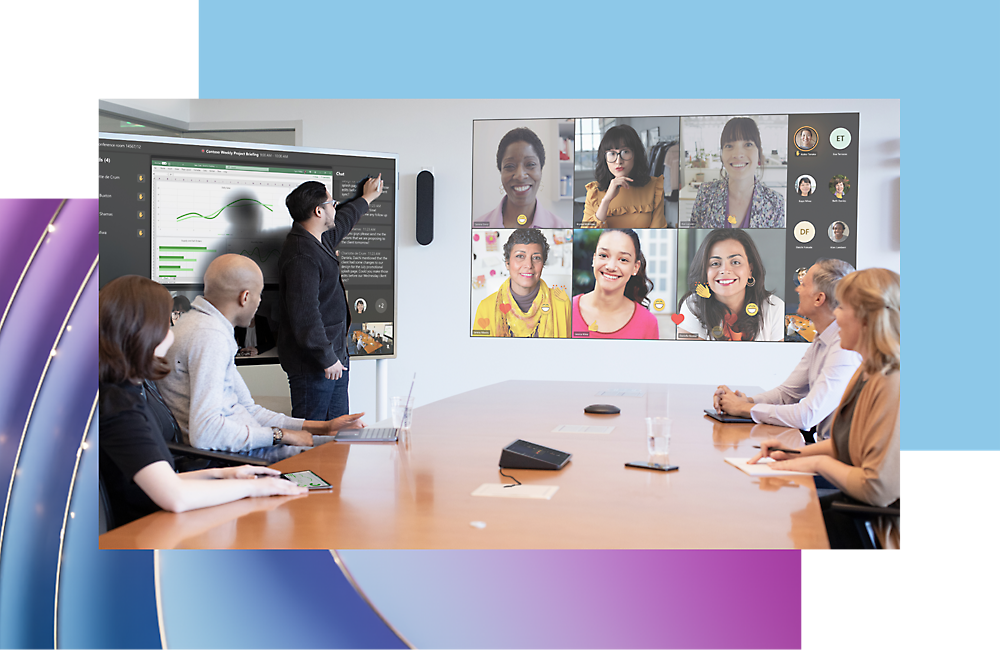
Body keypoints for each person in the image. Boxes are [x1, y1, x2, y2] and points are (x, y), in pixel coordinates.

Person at [99, 275, 308, 528]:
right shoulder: (119, 407)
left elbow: (165, 478)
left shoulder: (125, 391)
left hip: (159, 516)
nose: (171, 335)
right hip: (147, 529)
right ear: (143, 332)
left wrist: (225, 474)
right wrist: (253, 487)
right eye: (165, 326)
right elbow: (174, 496)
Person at [157, 254, 365, 461]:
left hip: (254, 447)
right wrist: (280, 435)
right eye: (259, 295)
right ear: (245, 297)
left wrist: (324, 427)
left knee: (349, 442)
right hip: (242, 459)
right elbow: (205, 433)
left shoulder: (202, 325)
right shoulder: (209, 336)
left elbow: (249, 410)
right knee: (348, 453)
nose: (260, 302)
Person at [749, 268, 901, 550]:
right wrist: (792, 454)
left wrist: (815, 463)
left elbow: (877, 488)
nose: (836, 315)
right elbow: (848, 445)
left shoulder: (893, 384)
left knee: (781, 523)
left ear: (868, 319)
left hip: (878, 526)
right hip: (857, 509)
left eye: (842, 307)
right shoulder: (867, 373)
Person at [712, 260, 861, 440]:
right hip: (822, 451)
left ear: (819, 299)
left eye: (803, 284)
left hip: (836, 458)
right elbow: (787, 394)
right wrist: (746, 402)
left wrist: (743, 409)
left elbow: (806, 416)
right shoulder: (822, 338)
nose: (797, 290)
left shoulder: (844, 348)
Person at [277, 176, 383, 420]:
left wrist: (367, 198)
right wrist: (327, 358)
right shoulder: (302, 255)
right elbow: (305, 316)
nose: (335, 207)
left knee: (339, 433)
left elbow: (344, 222)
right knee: (313, 439)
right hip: (316, 365)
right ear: (318, 211)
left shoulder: (318, 240)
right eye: (331, 203)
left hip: (334, 358)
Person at [677, 229, 784, 341]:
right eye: (715, 263)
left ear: (750, 270)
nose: (725, 270)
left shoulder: (775, 307)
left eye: (735, 262)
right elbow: (690, 356)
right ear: (705, 272)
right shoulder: (694, 305)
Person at [690, 117, 785, 228]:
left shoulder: (775, 202)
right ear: (722, 154)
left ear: (759, 153)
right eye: (729, 146)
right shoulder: (705, 193)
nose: (738, 154)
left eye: (748, 144)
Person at [473, 229, 571, 337]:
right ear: (507, 263)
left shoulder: (561, 303)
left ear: (543, 264)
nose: (528, 265)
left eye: (536, 258)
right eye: (520, 256)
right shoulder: (485, 307)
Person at [572, 229, 659, 339]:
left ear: (635, 267)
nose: (611, 267)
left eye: (623, 259)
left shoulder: (648, 323)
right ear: (594, 259)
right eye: (603, 255)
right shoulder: (564, 310)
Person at [478, 127, 568, 228]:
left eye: (530, 164)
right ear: (501, 172)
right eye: (510, 166)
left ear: (540, 170)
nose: (520, 176)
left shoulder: (562, 227)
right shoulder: (478, 226)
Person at [582, 124, 665, 228]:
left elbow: (658, 230)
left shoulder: (654, 187)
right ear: (604, 158)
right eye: (612, 153)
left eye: (625, 152)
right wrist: (606, 200)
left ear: (636, 155)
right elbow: (586, 234)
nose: (618, 161)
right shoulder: (593, 192)